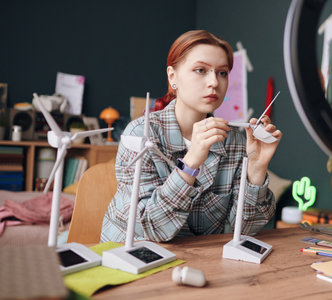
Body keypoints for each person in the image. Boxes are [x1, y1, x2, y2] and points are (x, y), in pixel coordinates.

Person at [101, 30, 282, 242]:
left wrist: (256, 170)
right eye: (200, 70)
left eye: (222, 73)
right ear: (172, 76)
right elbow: (150, 227)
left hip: (197, 261)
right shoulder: (140, 134)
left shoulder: (233, 141)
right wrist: (190, 162)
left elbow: (245, 229)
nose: (214, 82)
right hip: (132, 258)